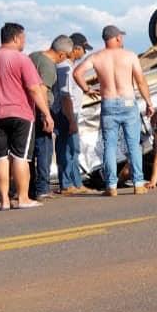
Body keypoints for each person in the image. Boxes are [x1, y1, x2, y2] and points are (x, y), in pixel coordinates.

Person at [0, 23, 54, 210]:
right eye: (24, 38)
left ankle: (4, 201)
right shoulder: (22, 60)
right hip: (21, 115)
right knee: (20, 157)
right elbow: (34, 89)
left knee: (1, 158)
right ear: (16, 38)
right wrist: (46, 114)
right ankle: (23, 198)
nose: (24, 42)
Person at [73, 25, 154, 197]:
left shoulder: (96, 57)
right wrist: (149, 102)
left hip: (108, 102)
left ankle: (111, 186)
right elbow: (140, 81)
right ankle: (138, 183)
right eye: (121, 37)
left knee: (109, 145)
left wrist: (87, 89)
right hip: (128, 102)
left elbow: (77, 72)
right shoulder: (130, 56)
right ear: (117, 38)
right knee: (133, 144)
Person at [29, 35, 74, 199]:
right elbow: (41, 90)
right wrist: (46, 114)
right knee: (44, 149)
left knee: (30, 152)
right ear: (61, 54)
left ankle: (30, 188)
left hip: (27, 108)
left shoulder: (34, 56)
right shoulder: (48, 66)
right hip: (41, 108)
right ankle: (42, 188)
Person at [53, 33, 95, 195]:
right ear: (75, 49)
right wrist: (71, 120)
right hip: (67, 114)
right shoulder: (66, 68)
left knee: (68, 149)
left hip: (67, 113)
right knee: (70, 149)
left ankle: (73, 183)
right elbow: (66, 96)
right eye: (83, 49)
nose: (84, 53)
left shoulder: (67, 67)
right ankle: (71, 184)